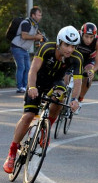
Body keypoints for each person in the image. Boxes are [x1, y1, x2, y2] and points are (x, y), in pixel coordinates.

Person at [3, 26, 83, 174]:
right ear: (59, 42)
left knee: (61, 95)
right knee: (28, 116)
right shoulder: (47, 48)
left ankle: (46, 128)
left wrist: (75, 99)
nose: (69, 49)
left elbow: (78, 81)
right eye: (66, 45)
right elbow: (32, 70)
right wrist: (32, 87)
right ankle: (12, 152)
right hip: (37, 81)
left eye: (73, 46)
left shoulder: (77, 57)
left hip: (55, 83)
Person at [10, 6, 44, 93]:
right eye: (38, 15)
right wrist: (36, 37)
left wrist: (39, 38)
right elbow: (24, 36)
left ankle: (26, 86)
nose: (40, 17)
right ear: (33, 15)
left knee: (28, 67)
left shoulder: (34, 25)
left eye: (40, 15)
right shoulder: (26, 23)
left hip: (24, 49)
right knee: (21, 67)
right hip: (17, 47)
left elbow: (35, 36)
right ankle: (20, 87)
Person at [74, 22, 98, 111]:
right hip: (74, 57)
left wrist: (93, 71)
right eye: (86, 36)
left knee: (88, 76)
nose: (88, 40)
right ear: (81, 33)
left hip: (88, 59)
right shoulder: (75, 35)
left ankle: (80, 99)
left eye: (91, 37)